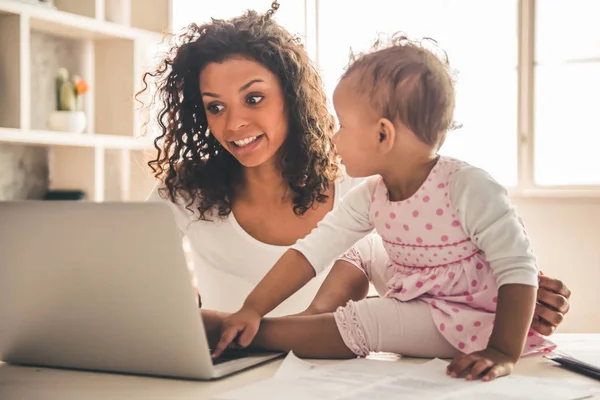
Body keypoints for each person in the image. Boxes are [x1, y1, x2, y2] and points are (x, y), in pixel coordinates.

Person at [139, 4, 571, 360]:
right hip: (234, 378)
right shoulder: (185, 193)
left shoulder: (363, 188)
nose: (233, 123)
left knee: (363, 260)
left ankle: (284, 332)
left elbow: (422, 282)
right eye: (214, 107)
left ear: (290, 97)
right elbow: (126, 287)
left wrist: (507, 301)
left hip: (331, 378)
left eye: (254, 98)